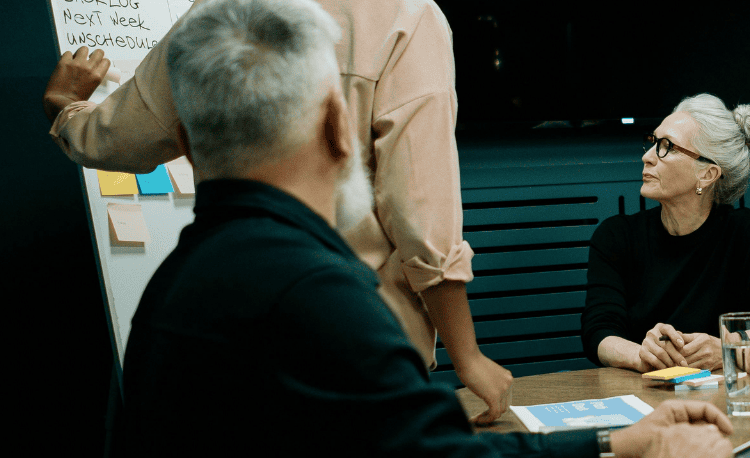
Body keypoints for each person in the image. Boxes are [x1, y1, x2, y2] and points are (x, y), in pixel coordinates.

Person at [121, 0, 734, 458]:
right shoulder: (311, 299)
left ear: (186, 137)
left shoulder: (191, 277)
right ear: (339, 127)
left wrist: (607, 449)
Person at [41, 0, 515, 424]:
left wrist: (67, 110)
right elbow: (419, 207)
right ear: (336, 131)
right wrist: (467, 356)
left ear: (187, 148)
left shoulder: (214, 15)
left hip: (223, 325)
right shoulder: (407, 16)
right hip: (365, 335)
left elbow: (117, 137)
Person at [581, 95, 750, 373]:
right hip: (647, 396)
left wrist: (731, 346)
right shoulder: (616, 237)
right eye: (652, 142)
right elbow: (598, 332)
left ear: (707, 174)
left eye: (667, 147)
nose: (647, 157)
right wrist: (642, 354)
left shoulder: (746, 232)